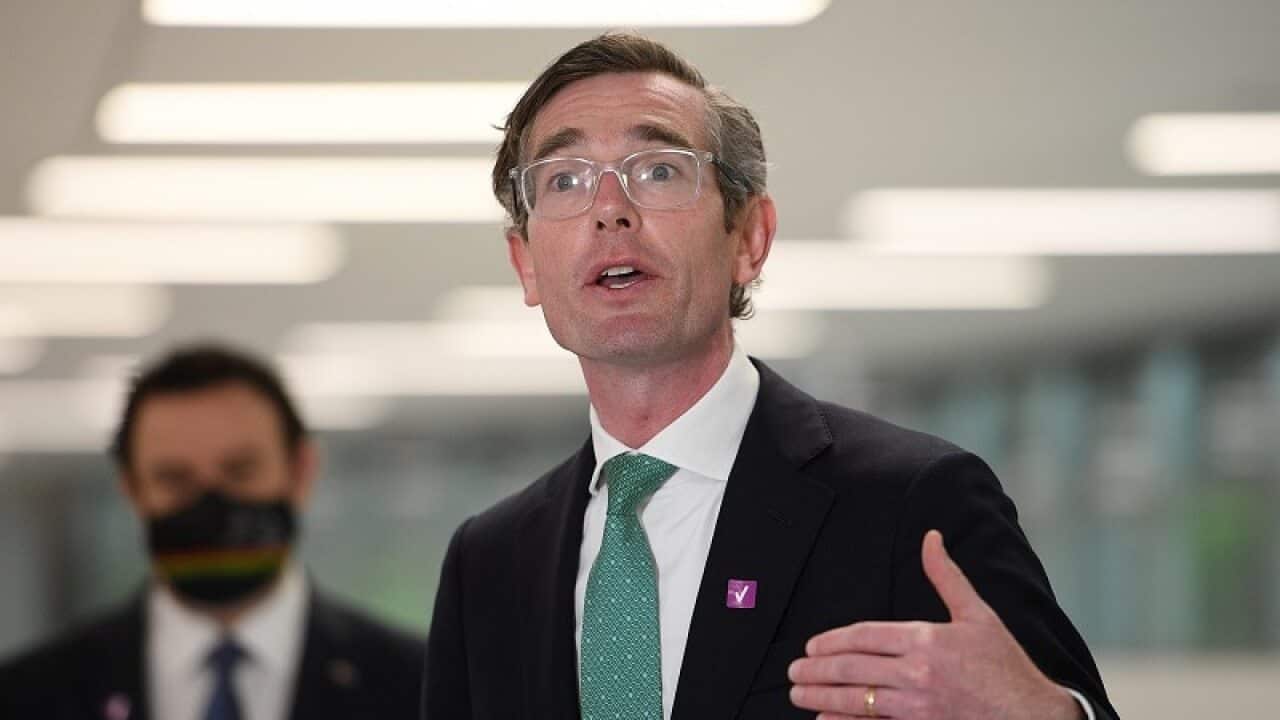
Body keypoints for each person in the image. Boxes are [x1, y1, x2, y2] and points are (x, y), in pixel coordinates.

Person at [422, 32, 1118, 720]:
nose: (611, 208)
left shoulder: (913, 503)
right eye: (565, 178)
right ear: (528, 266)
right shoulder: (489, 562)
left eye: (659, 170)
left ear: (749, 238)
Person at [0, 344, 424, 720]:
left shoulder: (419, 685)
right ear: (132, 489)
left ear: (300, 472)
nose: (210, 504)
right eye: (174, 478)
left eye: (240, 471)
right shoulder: (30, 696)